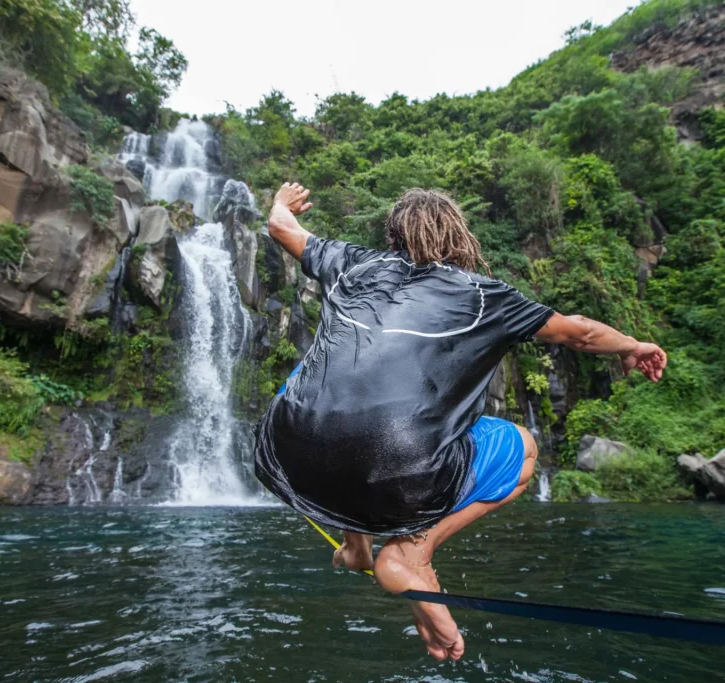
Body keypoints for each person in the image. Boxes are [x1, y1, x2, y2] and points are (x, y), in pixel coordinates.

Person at [253, 182, 668, 662]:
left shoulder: (353, 263)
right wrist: (632, 345)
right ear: (460, 238)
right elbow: (581, 331)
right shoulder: (486, 297)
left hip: (288, 451)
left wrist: (282, 203)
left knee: (326, 383)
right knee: (524, 449)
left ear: (394, 236)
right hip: (398, 471)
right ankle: (410, 553)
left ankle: (357, 547)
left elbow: (280, 226)